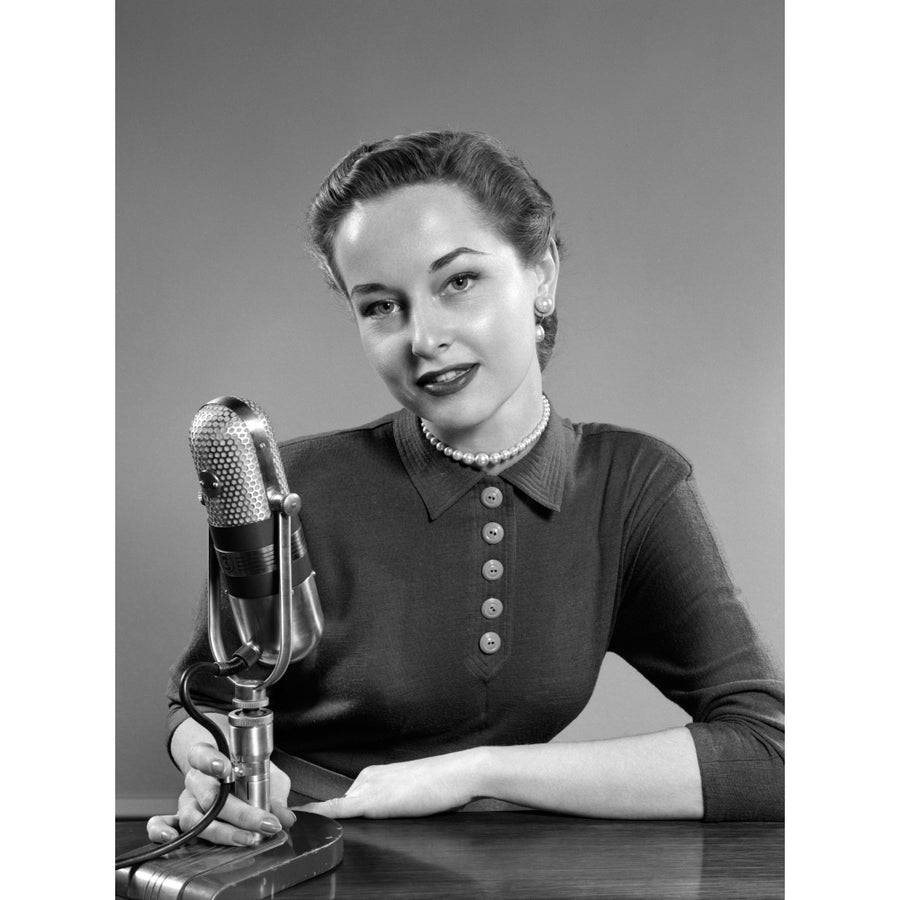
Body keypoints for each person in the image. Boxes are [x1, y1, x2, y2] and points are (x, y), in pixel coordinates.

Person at [147, 130, 784, 849]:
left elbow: (774, 756)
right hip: (301, 851)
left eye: (458, 282)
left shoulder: (632, 487)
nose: (424, 338)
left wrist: (478, 772)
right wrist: (211, 769)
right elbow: (201, 697)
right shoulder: (296, 483)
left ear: (541, 275)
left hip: (503, 867)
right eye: (381, 305)